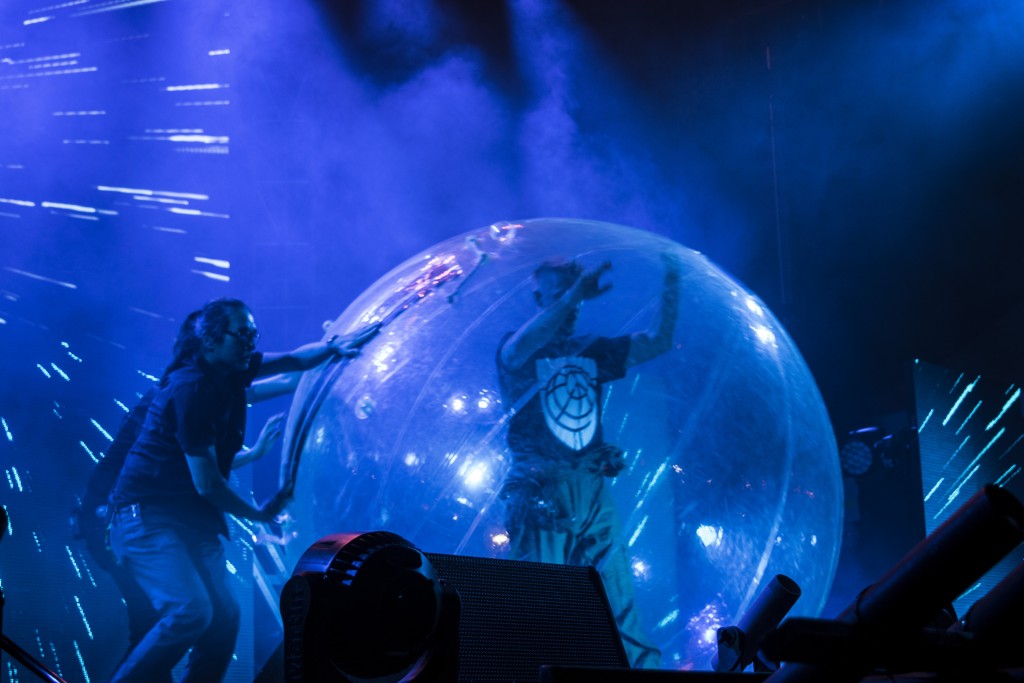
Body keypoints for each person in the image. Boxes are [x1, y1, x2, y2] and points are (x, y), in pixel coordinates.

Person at [106, 298, 349, 683]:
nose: (252, 340)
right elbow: (207, 484)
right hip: (148, 518)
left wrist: (334, 348)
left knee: (224, 618)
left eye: (254, 332)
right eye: (243, 333)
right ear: (211, 341)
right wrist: (261, 514)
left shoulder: (230, 373)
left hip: (188, 519)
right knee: (191, 612)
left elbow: (295, 362)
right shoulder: (191, 389)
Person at [72, 311, 298, 679]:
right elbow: (201, 470)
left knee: (214, 617)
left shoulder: (198, 391)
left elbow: (196, 461)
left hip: (145, 516)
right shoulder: (180, 392)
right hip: (120, 517)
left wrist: (255, 452)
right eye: (239, 338)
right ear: (206, 345)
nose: (247, 349)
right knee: (168, 618)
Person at [497, 254, 680, 669]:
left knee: (617, 595)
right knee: (537, 599)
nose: (569, 303)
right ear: (538, 296)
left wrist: (673, 281)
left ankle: (640, 672)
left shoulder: (590, 349)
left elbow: (659, 341)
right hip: (539, 487)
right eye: (558, 293)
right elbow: (518, 349)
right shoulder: (516, 346)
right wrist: (575, 294)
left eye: (574, 294)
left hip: (591, 486)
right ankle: (531, 674)